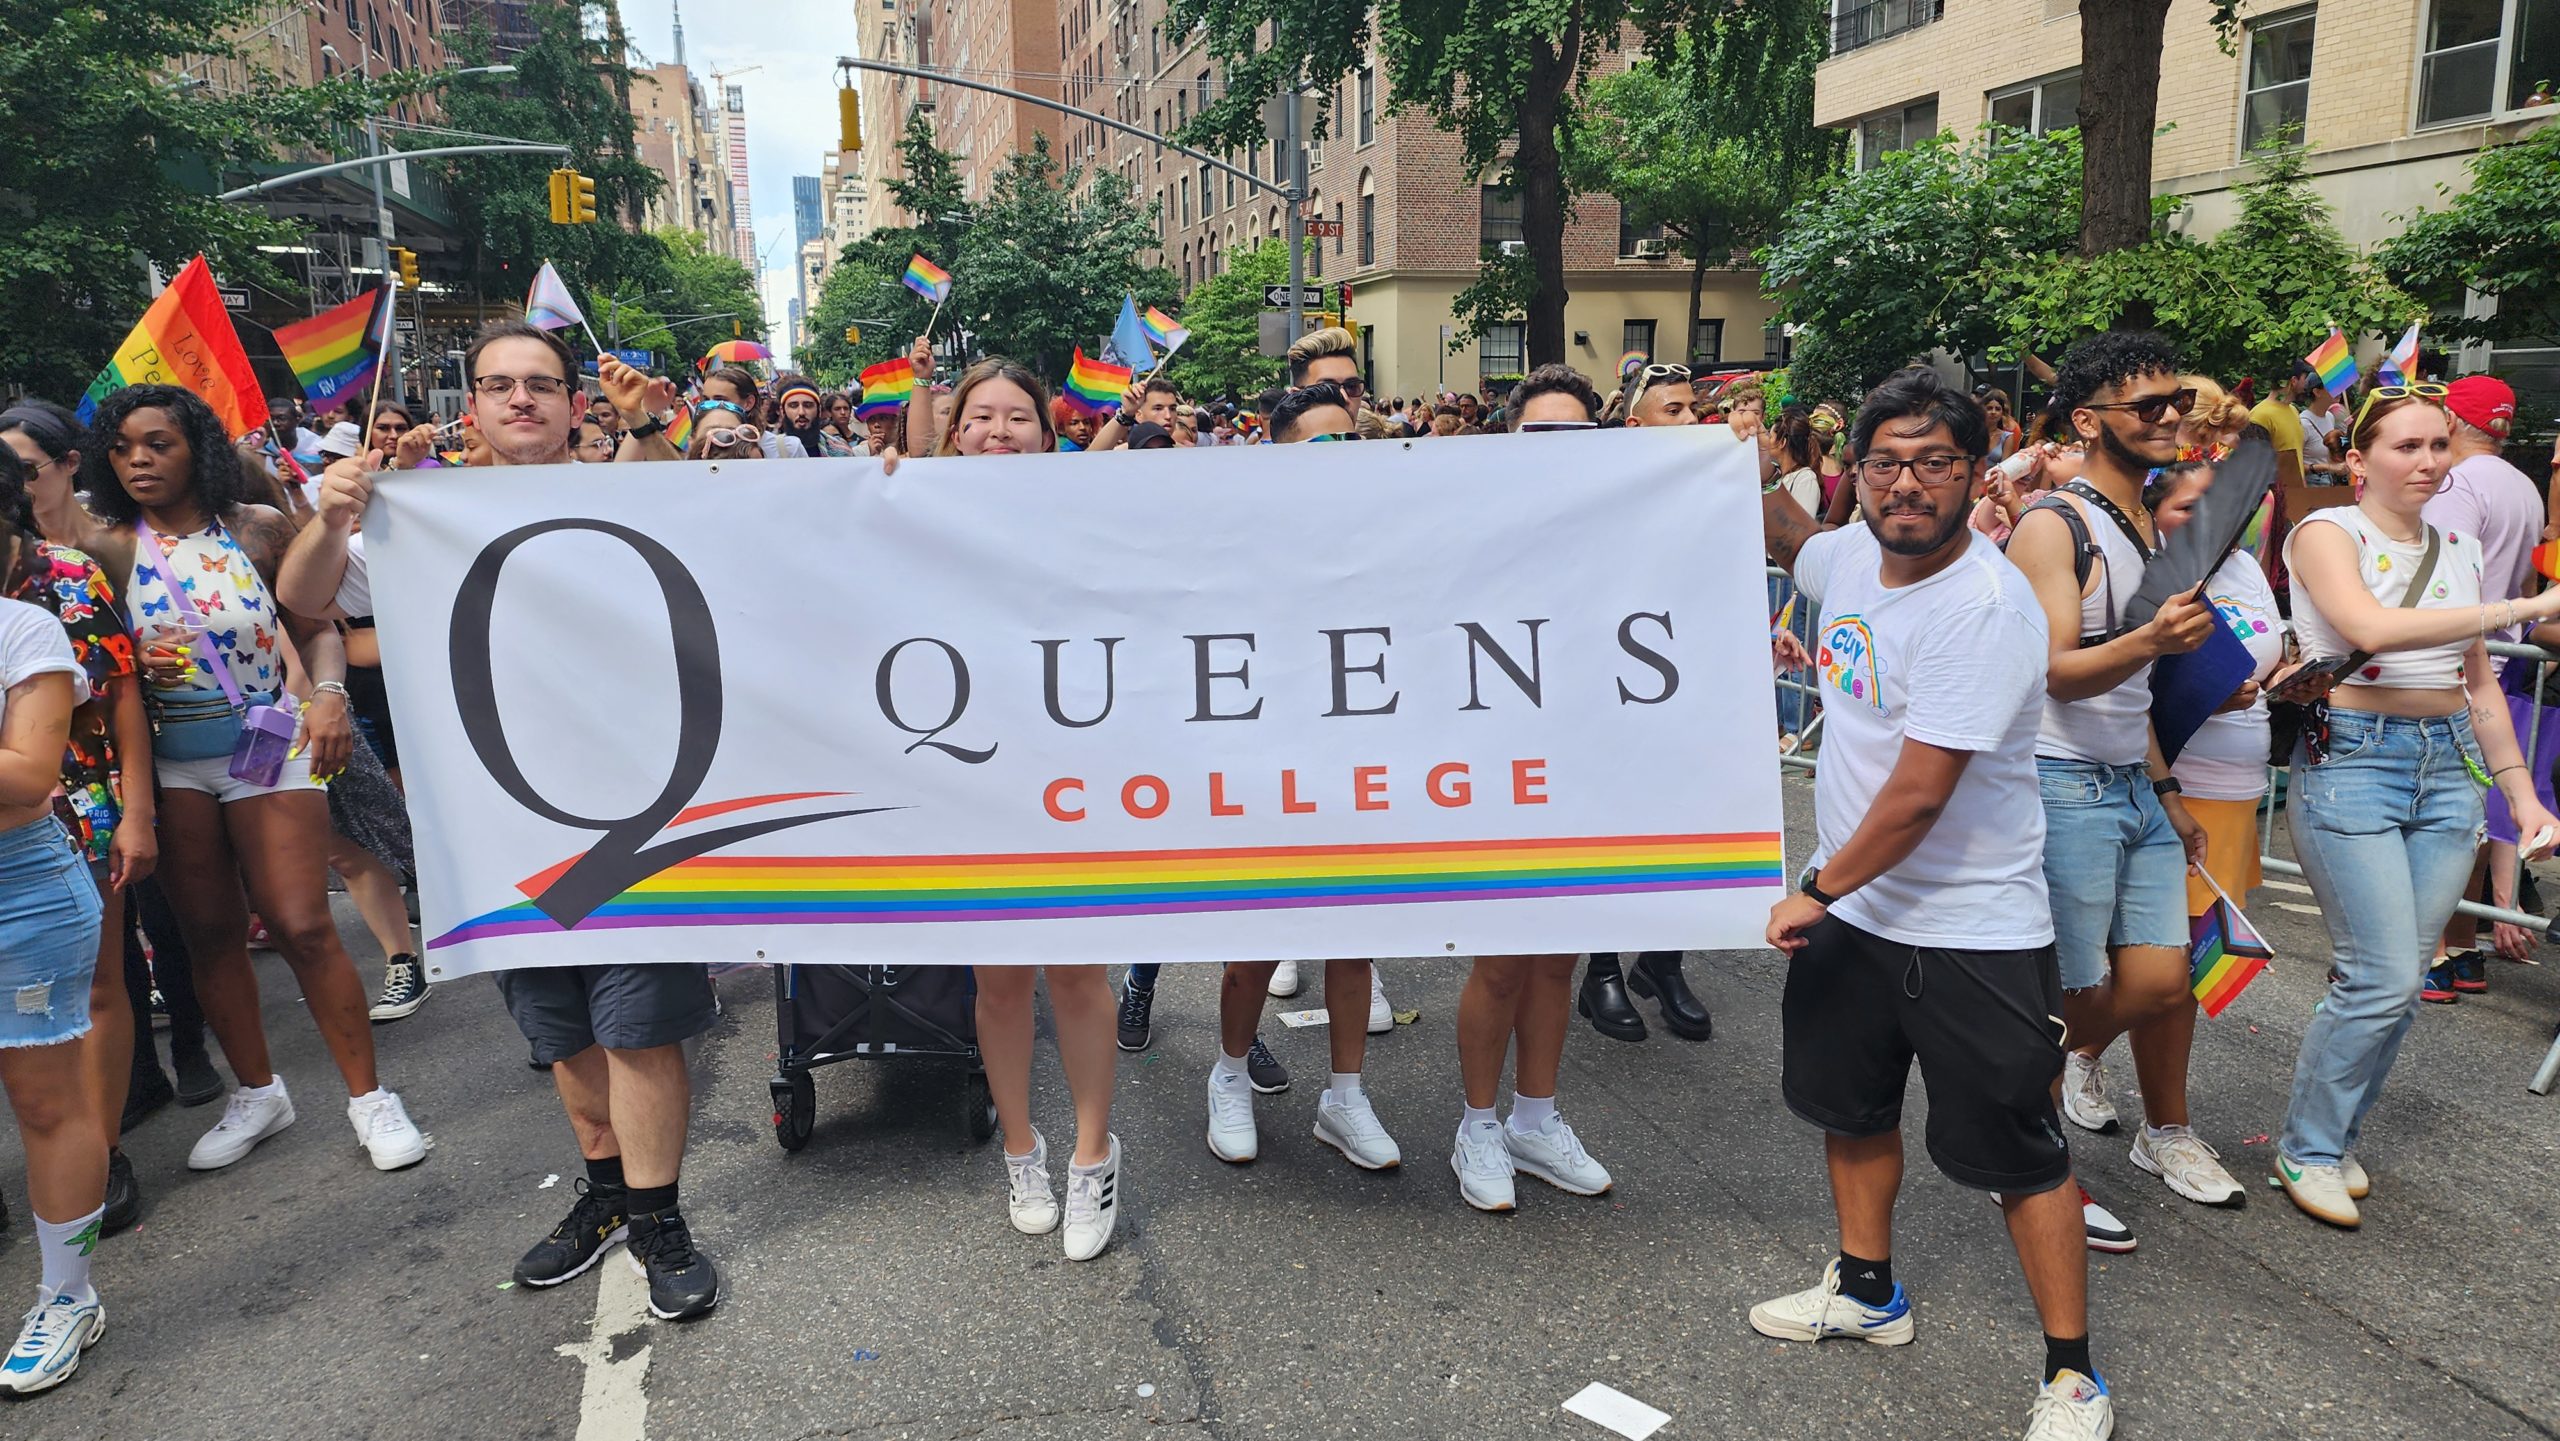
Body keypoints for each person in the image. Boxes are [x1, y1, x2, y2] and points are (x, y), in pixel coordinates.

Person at [281, 323, 721, 1318]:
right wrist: (329, 513)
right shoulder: (412, 510)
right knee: (559, 1030)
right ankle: (607, 1195)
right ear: (468, 402)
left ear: (576, 404)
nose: (520, 401)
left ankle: (659, 1220)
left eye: (541, 385)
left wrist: (652, 428)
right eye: (498, 386)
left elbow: (686, 512)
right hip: (490, 823)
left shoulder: (617, 489)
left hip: (633, 810)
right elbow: (305, 597)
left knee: (641, 1027)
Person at [1752, 368, 2111, 1441]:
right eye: (1884, 463)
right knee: (1849, 1109)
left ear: (1972, 470)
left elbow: (1918, 794)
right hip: (1857, 918)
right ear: (1854, 473)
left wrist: (1812, 888)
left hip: (1970, 926)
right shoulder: (1849, 551)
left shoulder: (1985, 607)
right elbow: (1784, 534)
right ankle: (1868, 1292)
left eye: (1933, 463)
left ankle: (2073, 1376)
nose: (1906, 485)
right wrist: (1726, 457)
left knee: (2020, 1150)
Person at [54, 385, 428, 1186]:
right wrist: (126, 667)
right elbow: (85, 668)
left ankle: (370, 1098)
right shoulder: (108, 548)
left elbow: (316, 625)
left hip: (270, 746)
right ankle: (259, 1094)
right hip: (170, 762)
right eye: (123, 448)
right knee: (210, 936)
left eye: (159, 442)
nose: (140, 460)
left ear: (199, 447)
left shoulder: (255, 528)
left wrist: (327, 696)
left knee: (301, 924)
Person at [2275, 384, 2560, 1227]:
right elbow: (2373, 624)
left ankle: (2333, 1135)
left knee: (2400, 983)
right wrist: (2529, 607)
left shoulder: (2461, 544)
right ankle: (2310, 1147)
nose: (2429, 461)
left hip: (2449, 770)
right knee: (2382, 972)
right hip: (2354, 762)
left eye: (2440, 444)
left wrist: (2521, 796)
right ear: (2359, 459)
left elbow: (2477, 684)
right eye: (2407, 446)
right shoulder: (2326, 531)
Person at [2006, 333, 2234, 1243]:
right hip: (2058, 782)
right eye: (2151, 407)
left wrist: (2166, 789)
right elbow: (2056, 672)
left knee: (2158, 978)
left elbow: (2129, 690)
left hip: (2130, 789)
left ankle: (2019, 1109)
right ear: (2090, 419)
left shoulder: (2146, 524)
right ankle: (2025, 1155)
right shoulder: (2053, 524)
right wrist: (2155, 640)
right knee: (2069, 985)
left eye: (2177, 400)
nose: (2173, 416)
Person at [903, 357, 1123, 1259]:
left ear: (1049, 428)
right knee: (998, 977)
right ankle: (1022, 1149)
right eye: (981, 416)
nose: (999, 431)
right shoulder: (913, 515)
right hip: (968, 772)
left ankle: (1094, 1153)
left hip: (1069, 766)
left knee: (1074, 969)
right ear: (956, 432)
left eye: (1018, 417)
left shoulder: (1088, 515)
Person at [1196, 381, 1401, 1174]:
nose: (1340, 457)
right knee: (1254, 937)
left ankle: (1343, 1097)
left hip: (1357, 754)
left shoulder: (1384, 534)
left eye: (1351, 440)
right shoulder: (1244, 542)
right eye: (1321, 444)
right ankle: (1231, 1072)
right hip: (1266, 757)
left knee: (1353, 938)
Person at [1451, 364, 1615, 1214]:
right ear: (1509, 441)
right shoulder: (1474, 526)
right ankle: (1478, 1124)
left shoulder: (1621, 528)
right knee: (1504, 955)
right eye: (1539, 434)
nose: (1557, 451)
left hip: (1581, 758)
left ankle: (1535, 1117)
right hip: (1495, 764)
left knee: (1560, 953)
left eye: (1575, 436)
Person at [0, 441, 154, 1240]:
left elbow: (123, 695)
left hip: (80, 805)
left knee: (93, 993)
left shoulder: (62, 579)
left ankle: (106, 1148)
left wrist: (137, 811)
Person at [0, 588, 112, 1395]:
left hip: (20, 893)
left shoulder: (21, 627)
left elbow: (30, 772)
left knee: (47, 1102)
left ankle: (68, 1298)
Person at [2422, 377, 2542, 999]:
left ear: (2449, 417)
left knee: (2439, 819)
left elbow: (2439, 570)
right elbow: (2523, 578)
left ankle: (2435, 955)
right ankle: (2463, 949)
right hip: (2500, 664)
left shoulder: (2458, 483)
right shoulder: (2523, 484)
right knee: (2467, 816)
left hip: (2457, 662)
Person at [698, 367, 806, 460]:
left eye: (720, 401)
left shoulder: (788, 448)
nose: (710, 408)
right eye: (706, 400)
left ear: (748, 403)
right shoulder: (699, 447)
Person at [1089, 376, 1179, 452]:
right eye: (1158, 409)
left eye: (1172, 409)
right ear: (1138, 414)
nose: (1168, 416)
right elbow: (1088, 462)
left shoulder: (1185, 453)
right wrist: (1126, 413)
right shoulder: (1124, 453)